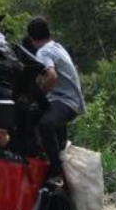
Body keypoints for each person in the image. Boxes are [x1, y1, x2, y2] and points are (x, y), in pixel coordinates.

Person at [26, 16, 85, 186]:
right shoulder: (57, 47)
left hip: (65, 100)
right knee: (46, 122)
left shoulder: (43, 52)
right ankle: (57, 161)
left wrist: (40, 95)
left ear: (31, 38)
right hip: (71, 99)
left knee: (45, 124)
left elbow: (51, 76)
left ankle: (55, 170)